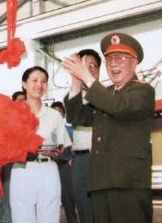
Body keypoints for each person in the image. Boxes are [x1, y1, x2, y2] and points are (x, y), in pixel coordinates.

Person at [61, 33, 155, 223]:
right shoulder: (106, 94)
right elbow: (77, 117)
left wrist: (87, 78)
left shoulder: (143, 90)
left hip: (128, 183)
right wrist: (76, 82)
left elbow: (118, 106)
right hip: (101, 182)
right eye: (109, 59)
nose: (113, 64)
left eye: (120, 58)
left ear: (134, 63)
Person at [10, 66, 72, 223]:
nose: (40, 85)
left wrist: (58, 152)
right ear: (24, 84)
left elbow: (63, 145)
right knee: (22, 217)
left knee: (50, 217)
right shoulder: (13, 114)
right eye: (35, 80)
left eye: (44, 81)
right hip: (22, 169)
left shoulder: (54, 115)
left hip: (48, 169)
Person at [63, 48, 102, 223]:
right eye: (83, 67)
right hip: (81, 161)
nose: (88, 70)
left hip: (102, 159)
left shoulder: (108, 96)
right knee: (84, 210)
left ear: (99, 70)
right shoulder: (72, 97)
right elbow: (74, 118)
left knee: (103, 211)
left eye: (92, 66)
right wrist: (76, 80)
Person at [0, 90, 27, 223]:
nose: (23, 104)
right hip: (9, 166)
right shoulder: (5, 120)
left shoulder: (31, 119)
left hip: (27, 166)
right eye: (20, 101)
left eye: (25, 101)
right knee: (8, 204)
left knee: (24, 205)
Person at [50, 101, 78, 223]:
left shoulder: (70, 129)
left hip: (65, 166)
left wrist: (72, 159)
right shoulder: (47, 130)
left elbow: (76, 147)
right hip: (49, 166)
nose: (57, 114)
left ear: (64, 114)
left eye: (60, 111)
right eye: (54, 111)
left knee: (68, 198)